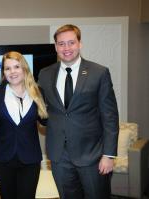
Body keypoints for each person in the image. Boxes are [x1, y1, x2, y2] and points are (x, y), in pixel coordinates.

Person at [38, 24, 119, 199]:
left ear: (80, 44)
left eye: (71, 43)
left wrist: (109, 155)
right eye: (61, 44)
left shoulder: (99, 73)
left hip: (93, 156)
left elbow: (110, 117)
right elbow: (43, 111)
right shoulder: (44, 74)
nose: (66, 48)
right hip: (59, 156)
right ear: (55, 47)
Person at [0, 51, 48, 199]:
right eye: (7, 68)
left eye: (16, 67)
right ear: (3, 72)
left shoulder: (38, 92)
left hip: (30, 159)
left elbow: (46, 121)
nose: (12, 72)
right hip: (3, 159)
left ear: (24, 69)